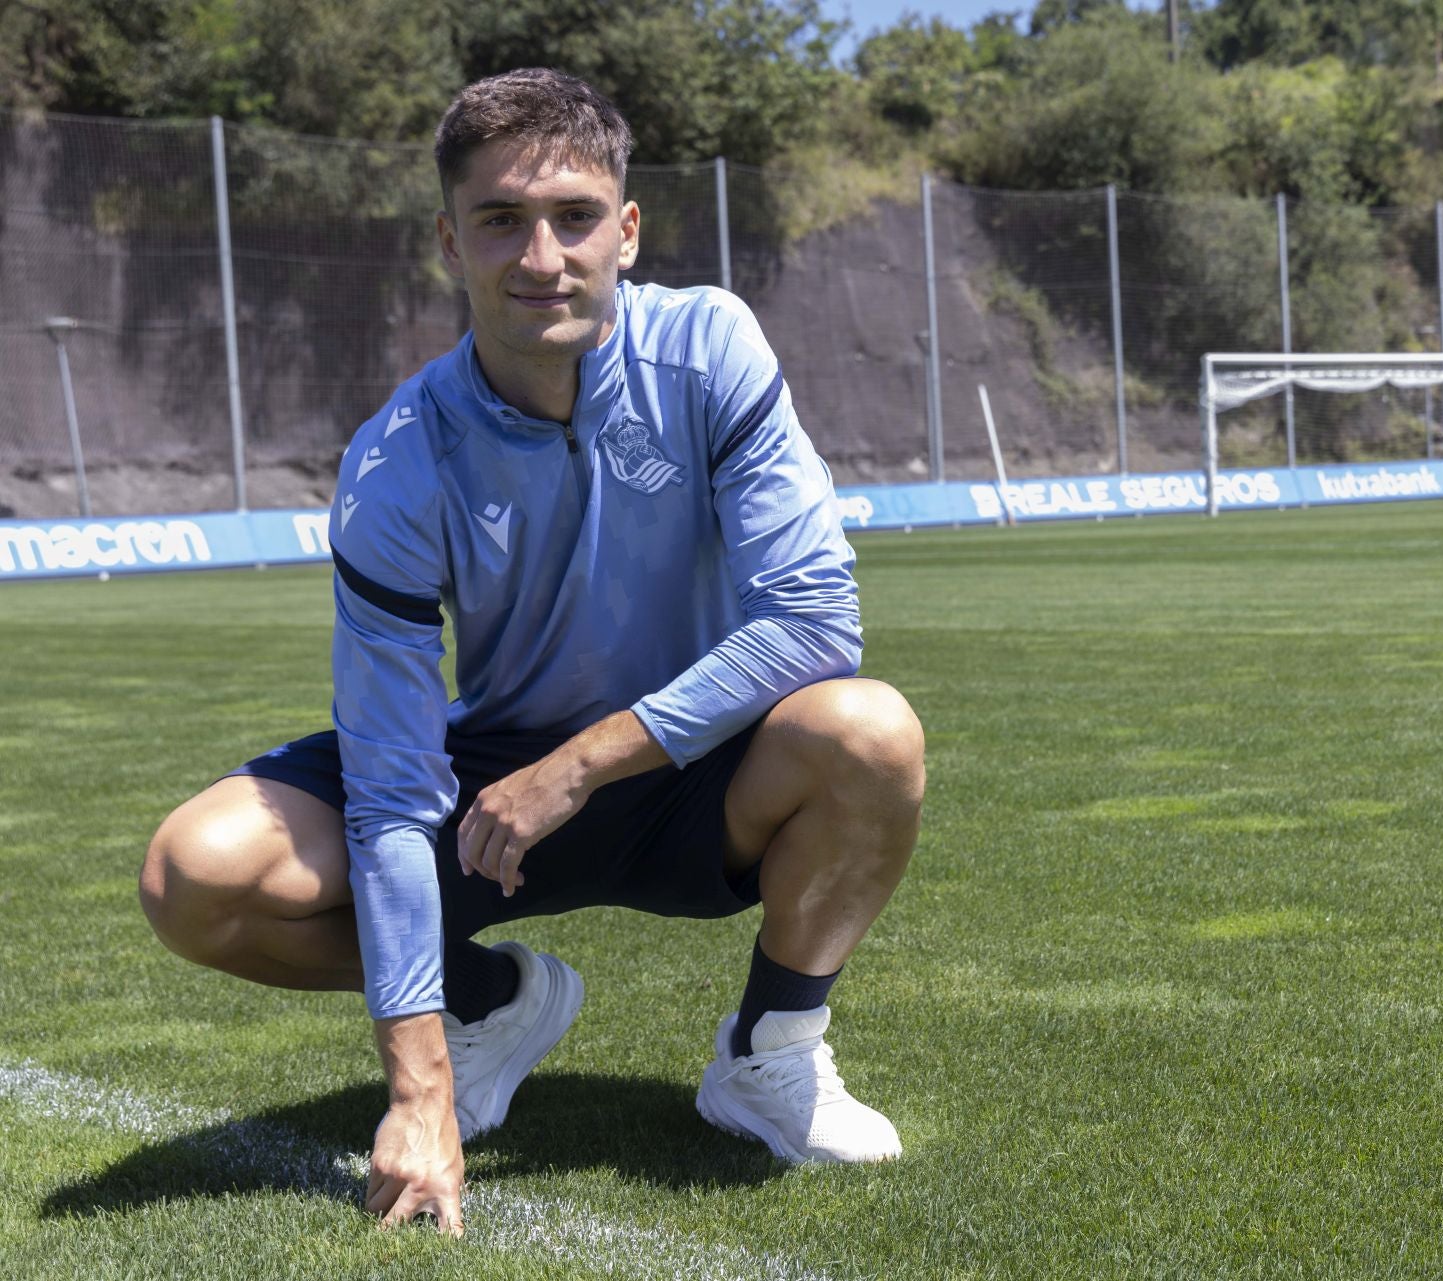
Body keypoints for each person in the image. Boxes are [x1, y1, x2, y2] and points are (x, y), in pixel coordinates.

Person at [137, 68, 924, 1237]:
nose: (541, 256)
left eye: (574, 217)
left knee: (869, 731)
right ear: (449, 240)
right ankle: (491, 1002)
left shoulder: (710, 351)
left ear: (628, 230)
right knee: (193, 878)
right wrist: (418, 1084)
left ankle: (770, 1056)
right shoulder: (399, 460)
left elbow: (814, 623)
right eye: (501, 220)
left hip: (690, 771)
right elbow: (396, 789)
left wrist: (581, 767)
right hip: (486, 793)